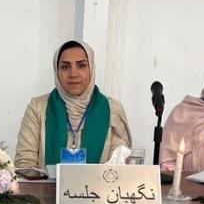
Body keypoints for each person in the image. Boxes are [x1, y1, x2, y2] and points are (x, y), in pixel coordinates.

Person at [14, 40, 131, 169]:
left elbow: (118, 168)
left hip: (97, 183)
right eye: (65, 67)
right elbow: (25, 165)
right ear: (56, 71)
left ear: (91, 69)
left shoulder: (113, 111)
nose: (73, 74)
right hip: (46, 183)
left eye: (81, 66)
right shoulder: (38, 108)